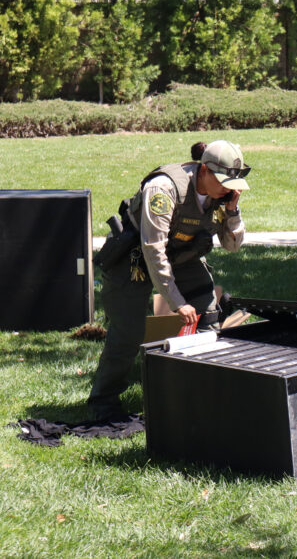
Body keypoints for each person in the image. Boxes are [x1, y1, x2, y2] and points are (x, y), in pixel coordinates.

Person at [88, 140, 250, 420]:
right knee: (127, 333)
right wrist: (176, 302)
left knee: (209, 316)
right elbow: (154, 250)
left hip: (183, 256)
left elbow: (232, 245)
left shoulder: (223, 196)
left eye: (232, 183)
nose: (228, 188)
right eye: (223, 181)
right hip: (136, 257)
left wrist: (233, 212)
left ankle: (196, 393)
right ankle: (103, 401)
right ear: (204, 171)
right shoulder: (163, 189)